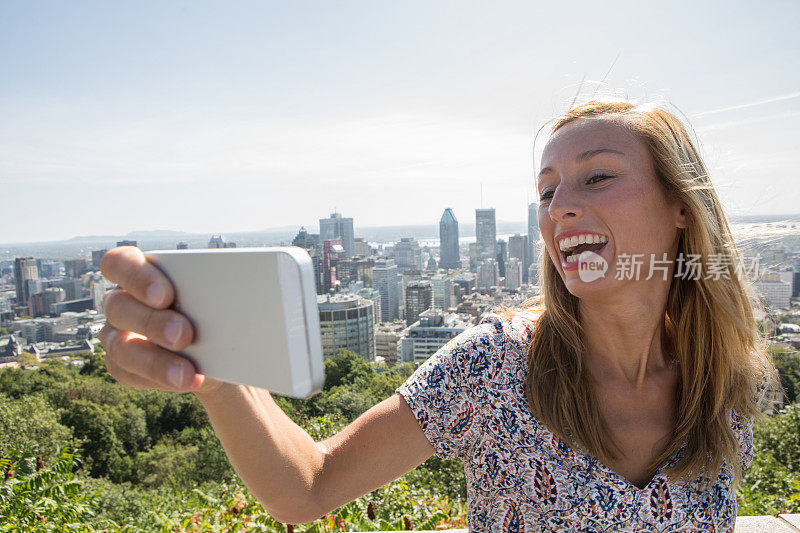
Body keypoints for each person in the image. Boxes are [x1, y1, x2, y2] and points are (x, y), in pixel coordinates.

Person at [98, 99, 773, 531]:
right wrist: (214, 374)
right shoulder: (496, 366)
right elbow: (306, 487)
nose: (559, 205)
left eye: (596, 176)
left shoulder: (725, 388)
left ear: (680, 206)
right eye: (545, 190)